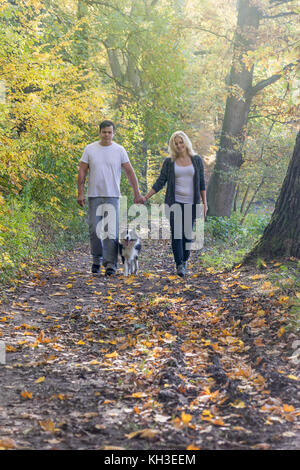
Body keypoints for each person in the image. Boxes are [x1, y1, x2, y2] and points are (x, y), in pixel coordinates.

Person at [77, 120, 144, 276]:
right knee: (94, 230)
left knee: (110, 232)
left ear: (113, 133)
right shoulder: (90, 149)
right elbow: (82, 171)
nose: (107, 134)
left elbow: (129, 172)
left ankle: (110, 265)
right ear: (100, 132)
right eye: (104, 132)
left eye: (109, 132)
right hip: (94, 195)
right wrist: (80, 192)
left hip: (113, 195)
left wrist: (137, 193)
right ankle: (96, 259)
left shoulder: (119, 150)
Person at [143, 131, 207, 277]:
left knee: (188, 235)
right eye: (176, 143)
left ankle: (184, 260)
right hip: (174, 203)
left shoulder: (196, 160)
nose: (179, 145)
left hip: (191, 203)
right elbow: (160, 181)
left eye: (181, 142)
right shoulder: (169, 162)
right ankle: (179, 265)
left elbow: (202, 183)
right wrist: (146, 197)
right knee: (176, 234)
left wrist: (205, 203)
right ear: (173, 146)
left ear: (186, 142)